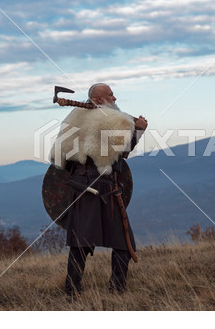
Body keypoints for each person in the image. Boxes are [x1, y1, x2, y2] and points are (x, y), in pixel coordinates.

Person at [49, 83, 147, 297]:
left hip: (81, 188)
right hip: (104, 188)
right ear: (99, 99)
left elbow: (61, 158)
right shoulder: (113, 120)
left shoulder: (73, 119)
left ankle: (72, 291)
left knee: (80, 244)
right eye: (111, 94)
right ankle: (116, 290)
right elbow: (124, 150)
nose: (115, 97)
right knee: (123, 243)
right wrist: (138, 129)